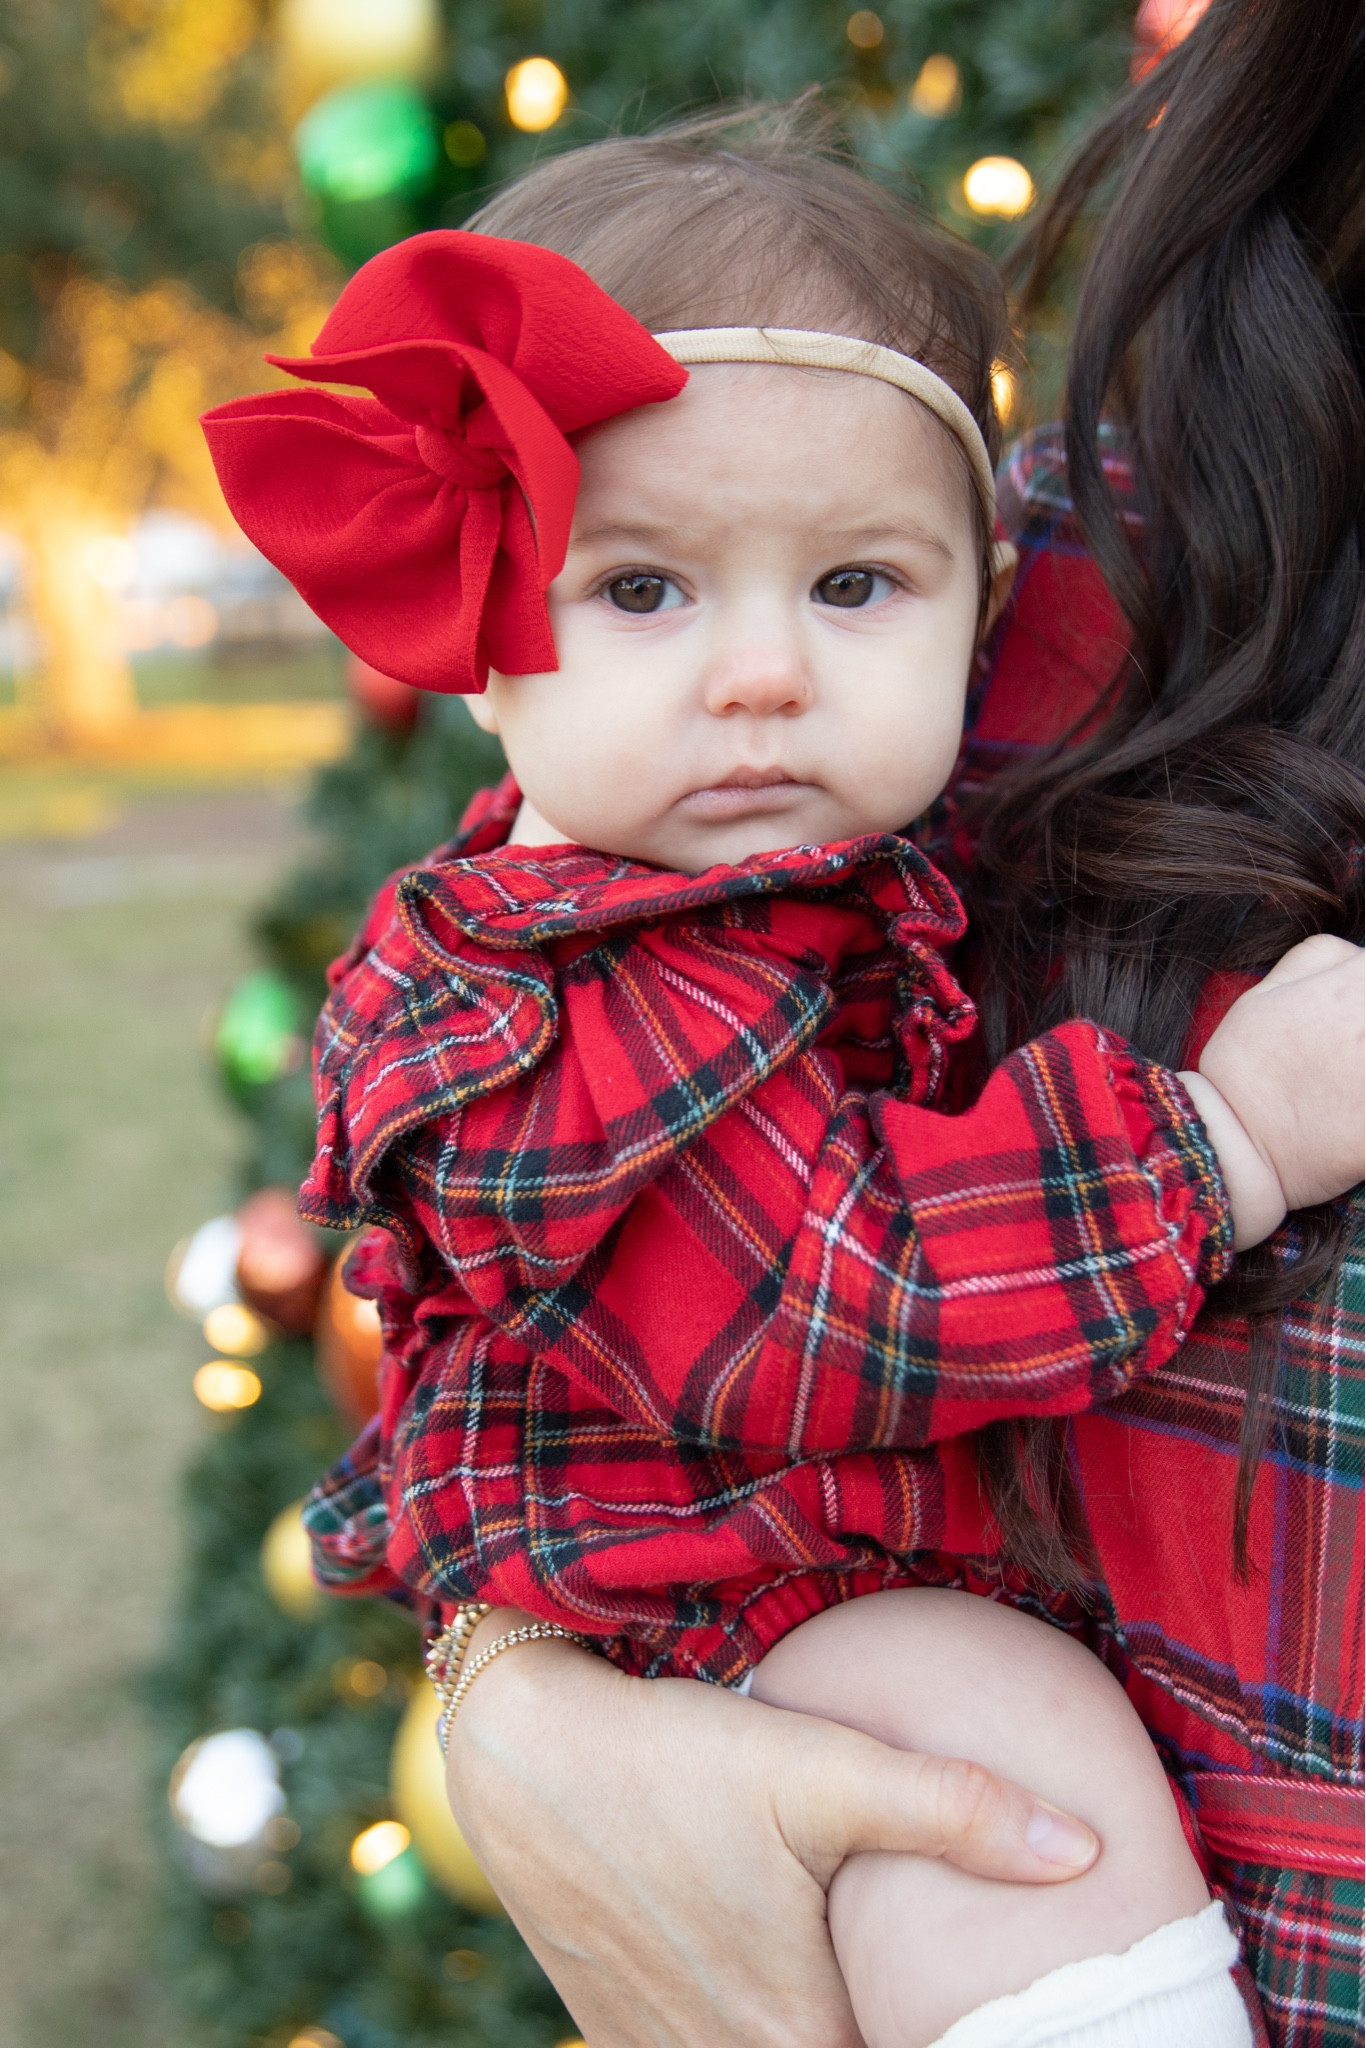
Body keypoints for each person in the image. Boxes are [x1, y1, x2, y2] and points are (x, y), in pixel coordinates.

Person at [200, 49, 1361, 2047]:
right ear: (484, 642)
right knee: (995, 1768)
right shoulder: (581, 982)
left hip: (821, 1565)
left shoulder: (805, 886)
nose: (760, 672)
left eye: (853, 586)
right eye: (641, 587)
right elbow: (826, 1297)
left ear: (977, 606)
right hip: (718, 1594)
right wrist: (1223, 1142)